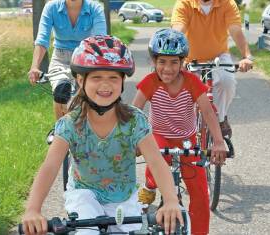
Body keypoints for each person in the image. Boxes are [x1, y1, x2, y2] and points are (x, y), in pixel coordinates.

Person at [22, 35, 184, 235]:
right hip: (84, 194)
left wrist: (170, 200)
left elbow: (157, 162)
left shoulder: (135, 121)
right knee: (87, 231)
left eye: (113, 78)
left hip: (123, 197)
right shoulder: (70, 124)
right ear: (80, 80)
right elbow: (50, 167)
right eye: (97, 77)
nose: (105, 85)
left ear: (123, 82)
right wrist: (33, 209)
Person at [132, 29, 226, 235]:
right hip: (158, 135)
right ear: (154, 60)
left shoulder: (192, 82)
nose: (168, 68)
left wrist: (218, 141)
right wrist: (133, 141)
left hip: (186, 139)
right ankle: (149, 186)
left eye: (174, 62)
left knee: (200, 193)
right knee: (158, 164)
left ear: (183, 62)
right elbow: (135, 112)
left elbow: (208, 112)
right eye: (162, 61)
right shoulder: (149, 82)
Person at [171, 0, 254, 138]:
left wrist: (247, 56)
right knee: (182, 92)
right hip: (188, 58)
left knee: (227, 81)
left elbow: (235, 30)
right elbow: (178, 30)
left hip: (218, 56)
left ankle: (221, 119)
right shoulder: (185, 3)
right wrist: (174, 57)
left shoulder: (226, 3)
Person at [28, 0, 107, 120]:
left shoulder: (94, 8)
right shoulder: (51, 7)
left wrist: (101, 67)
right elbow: (42, 40)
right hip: (60, 58)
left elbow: (100, 40)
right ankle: (60, 132)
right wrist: (34, 67)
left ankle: (88, 130)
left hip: (86, 57)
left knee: (86, 98)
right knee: (61, 91)